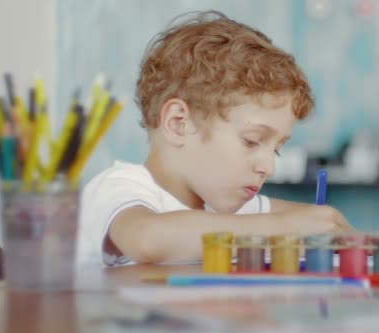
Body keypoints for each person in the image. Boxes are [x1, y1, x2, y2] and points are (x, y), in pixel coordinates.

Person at [78, 10, 353, 267]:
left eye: (277, 150)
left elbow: (313, 221)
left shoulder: (227, 205)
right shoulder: (118, 189)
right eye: (252, 141)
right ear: (178, 124)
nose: (269, 168)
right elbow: (147, 240)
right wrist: (285, 228)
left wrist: (329, 226)